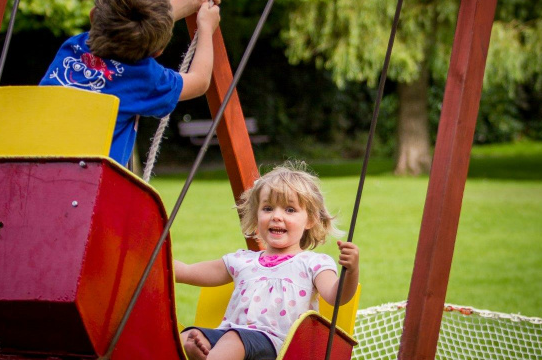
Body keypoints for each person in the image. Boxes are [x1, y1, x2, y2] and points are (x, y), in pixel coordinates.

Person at [174, 161, 360, 360]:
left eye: (290, 210)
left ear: (311, 219)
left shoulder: (313, 263)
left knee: (234, 340)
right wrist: (148, 258)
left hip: (278, 346)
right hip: (230, 337)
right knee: (186, 338)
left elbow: (337, 296)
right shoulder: (241, 261)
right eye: (268, 208)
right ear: (256, 215)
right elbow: (186, 271)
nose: (276, 216)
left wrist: (351, 270)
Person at [39, 0, 220, 167]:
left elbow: (132, 20)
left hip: (35, 172)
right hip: (94, 187)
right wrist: (205, 27)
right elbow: (199, 80)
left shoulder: (73, 47)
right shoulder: (145, 77)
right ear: (159, 51)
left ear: (93, 16)